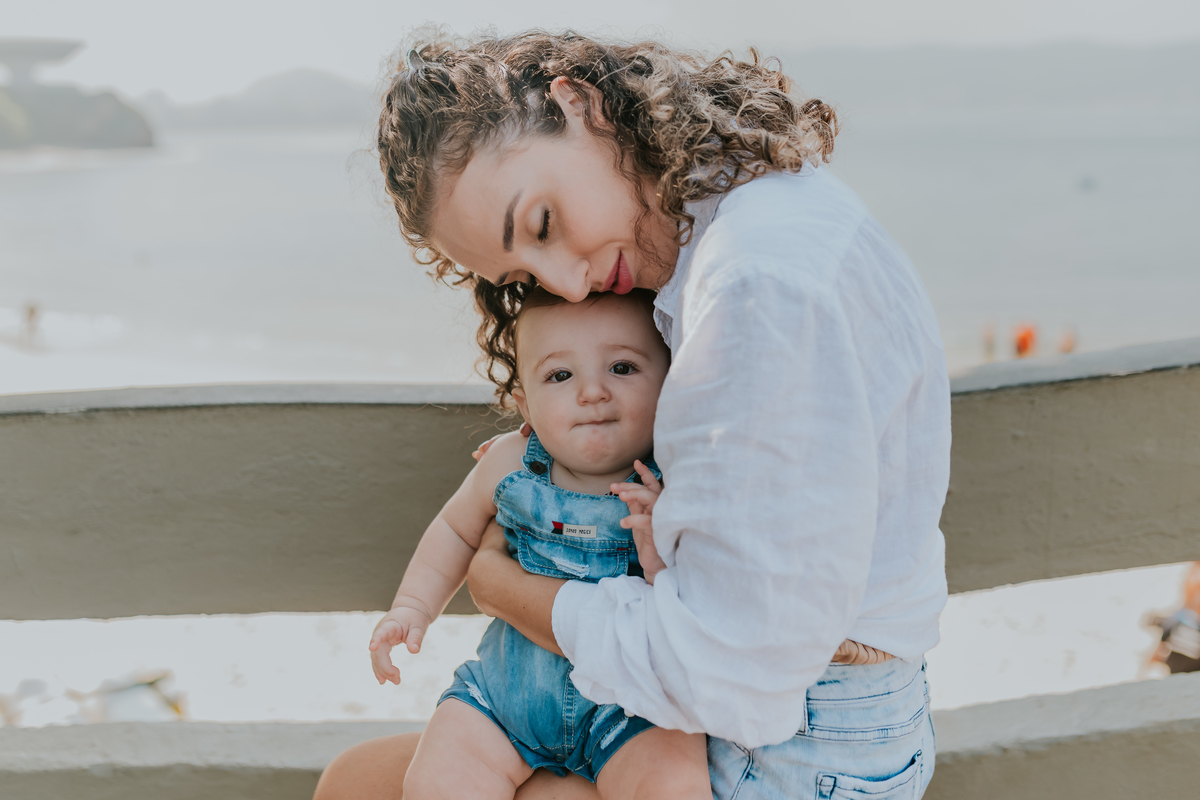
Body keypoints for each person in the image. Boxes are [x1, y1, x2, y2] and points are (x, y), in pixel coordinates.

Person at [316, 29, 949, 800]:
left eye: (542, 224)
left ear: (579, 102)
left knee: (364, 790)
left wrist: (503, 588)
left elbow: (731, 677)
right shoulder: (739, 213)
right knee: (357, 780)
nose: (569, 287)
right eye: (522, 274)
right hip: (818, 711)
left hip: (789, 751)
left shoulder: (753, 286)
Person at [367, 287, 710, 799]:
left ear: (669, 383)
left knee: (674, 784)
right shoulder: (509, 463)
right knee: (436, 781)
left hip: (630, 711)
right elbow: (455, 530)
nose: (592, 392)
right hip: (505, 700)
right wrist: (412, 606)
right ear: (525, 402)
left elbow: (695, 609)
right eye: (560, 375)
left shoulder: (680, 479)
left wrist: (660, 557)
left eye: (622, 368)